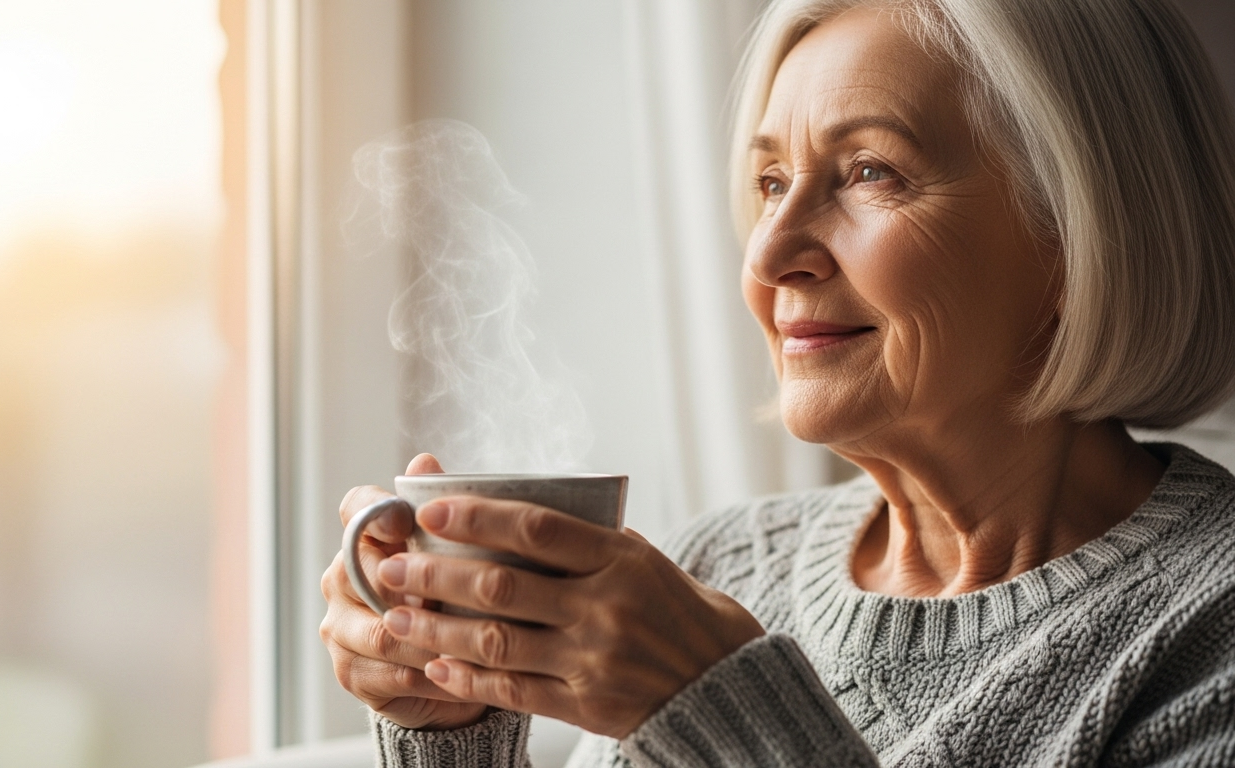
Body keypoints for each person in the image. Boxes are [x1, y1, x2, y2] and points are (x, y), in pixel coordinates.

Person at [320, 0, 1235, 764]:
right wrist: (453, 722)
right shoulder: (718, 566)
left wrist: (729, 713)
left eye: (870, 171)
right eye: (769, 182)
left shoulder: (1208, 622)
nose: (771, 250)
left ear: (1078, 233)